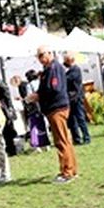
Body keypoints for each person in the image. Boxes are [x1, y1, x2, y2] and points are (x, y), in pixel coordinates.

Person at [36, 47, 78, 183]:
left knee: (61, 141)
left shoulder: (53, 68)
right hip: (57, 107)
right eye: (38, 56)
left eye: (42, 55)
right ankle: (72, 169)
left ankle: (67, 172)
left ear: (50, 53)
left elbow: (54, 88)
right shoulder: (51, 68)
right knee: (65, 139)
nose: (41, 58)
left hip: (56, 108)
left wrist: (38, 95)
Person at [62, 53, 91, 145]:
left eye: (65, 60)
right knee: (72, 120)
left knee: (80, 118)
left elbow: (67, 80)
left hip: (76, 98)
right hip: (70, 98)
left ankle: (86, 137)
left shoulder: (75, 70)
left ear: (69, 60)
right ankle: (76, 139)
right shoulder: (70, 70)